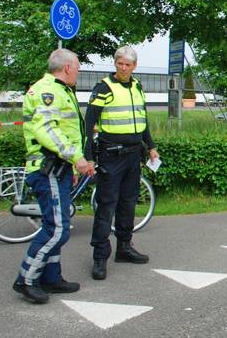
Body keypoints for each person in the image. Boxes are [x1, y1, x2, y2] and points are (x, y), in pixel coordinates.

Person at [13, 49, 95, 304]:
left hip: (59, 169)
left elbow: (66, 130)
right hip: (46, 168)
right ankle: (26, 279)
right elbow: (47, 130)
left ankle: (51, 277)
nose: (79, 72)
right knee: (57, 229)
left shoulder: (60, 90)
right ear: (68, 67)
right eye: (78, 67)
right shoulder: (46, 91)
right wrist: (77, 159)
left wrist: (70, 168)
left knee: (56, 224)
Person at [85, 46, 159, 280]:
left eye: (128, 64)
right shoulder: (103, 88)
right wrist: (87, 156)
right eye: (120, 64)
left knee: (128, 204)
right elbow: (88, 124)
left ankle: (124, 248)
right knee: (107, 205)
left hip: (133, 155)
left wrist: (151, 146)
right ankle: (99, 257)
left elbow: (142, 119)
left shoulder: (137, 86)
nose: (124, 68)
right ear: (115, 64)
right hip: (111, 155)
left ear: (134, 66)